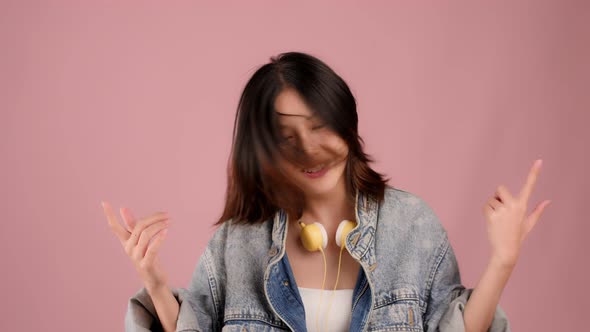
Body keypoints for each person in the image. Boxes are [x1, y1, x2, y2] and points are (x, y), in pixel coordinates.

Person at [102, 51, 550, 332]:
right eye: (285, 139)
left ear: (347, 124)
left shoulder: (412, 225)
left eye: (321, 127)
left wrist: (502, 262)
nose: (310, 151)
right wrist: (156, 284)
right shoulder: (236, 242)